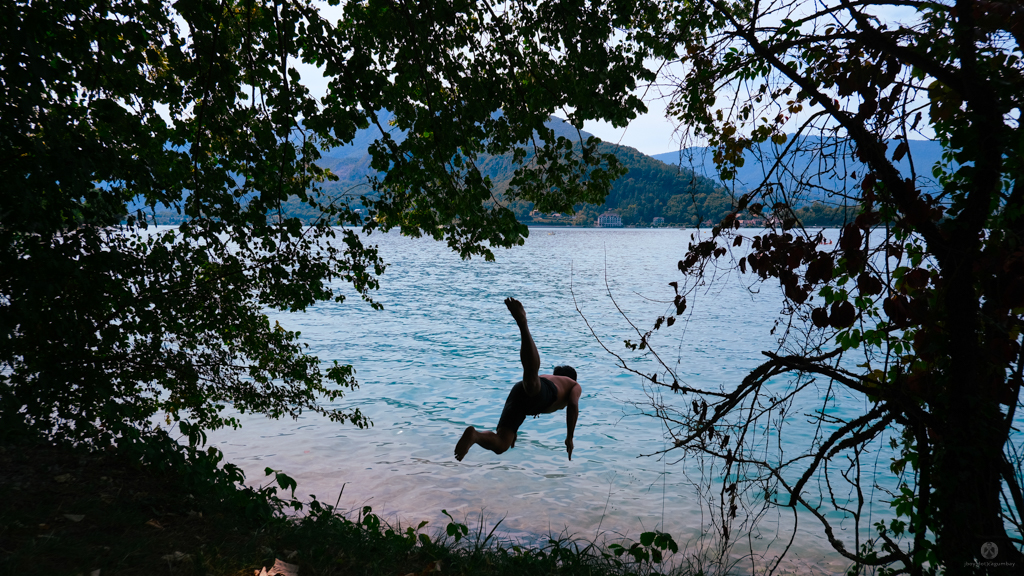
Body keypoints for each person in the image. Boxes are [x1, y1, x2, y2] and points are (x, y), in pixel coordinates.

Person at [454, 297, 582, 461]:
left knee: (502, 444)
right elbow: (573, 405)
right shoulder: (574, 385)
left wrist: (514, 429)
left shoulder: (550, 377)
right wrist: (570, 437)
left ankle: (475, 436)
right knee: (532, 382)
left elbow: (531, 400)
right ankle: (522, 323)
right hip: (537, 391)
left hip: (520, 396)